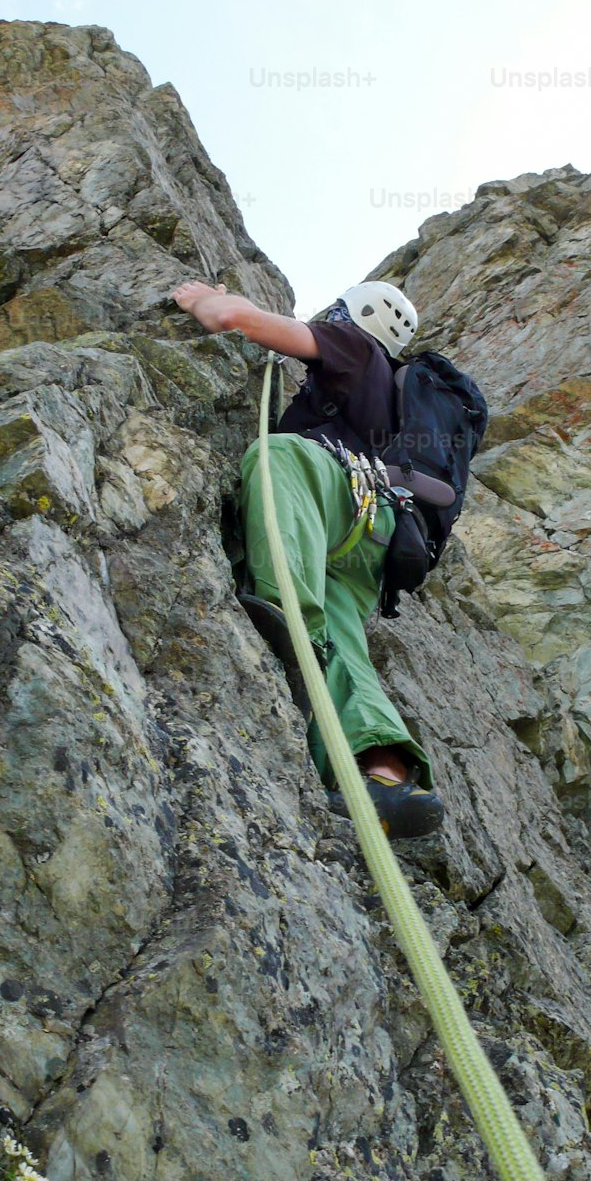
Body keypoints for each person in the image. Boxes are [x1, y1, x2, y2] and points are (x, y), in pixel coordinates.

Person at [171, 277, 444, 839]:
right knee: (343, 645)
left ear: (354, 314)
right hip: (372, 539)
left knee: (280, 456)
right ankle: (384, 779)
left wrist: (205, 300)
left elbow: (236, 323)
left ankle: (285, 620)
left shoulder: (353, 347)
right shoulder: (394, 390)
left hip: (339, 499)